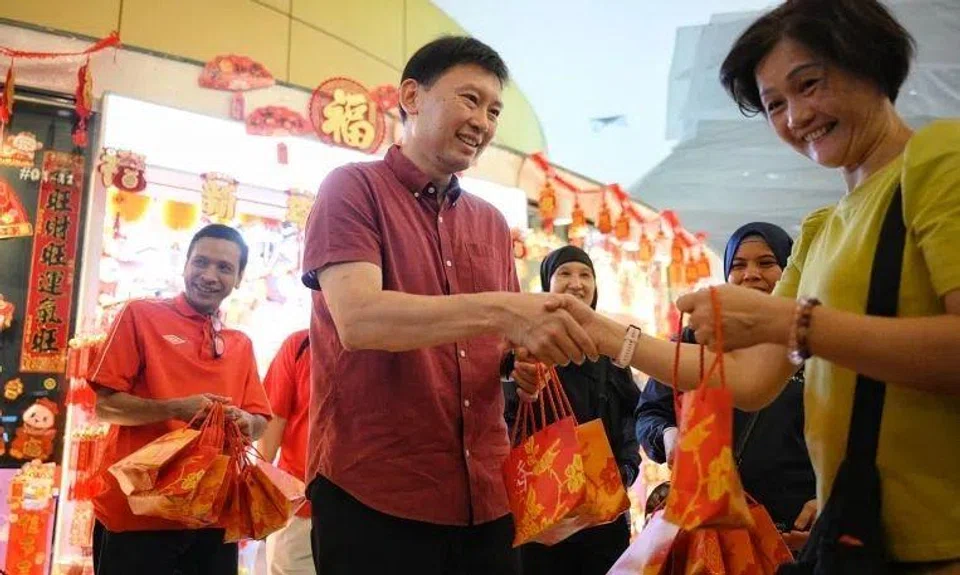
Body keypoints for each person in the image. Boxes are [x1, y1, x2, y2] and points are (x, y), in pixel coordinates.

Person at [516, 1, 960, 572]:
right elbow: (750, 381)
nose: (796, 116)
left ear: (871, 63)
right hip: (854, 534)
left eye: (809, 85)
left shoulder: (936, 161)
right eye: (775, 103)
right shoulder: (823, 231)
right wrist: (608, 334)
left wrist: (790, 323)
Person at [300, 36, 598, 575]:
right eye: (469, 99)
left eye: (494, 110)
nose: (482, 122)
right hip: (374, 489)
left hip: (486, 494)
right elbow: (360, 319)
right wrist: (504, 311)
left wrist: (519, 364)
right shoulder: (352, 189)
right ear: (412, 96)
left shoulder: (489, 222)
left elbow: (500, 347)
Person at [89, 224, 272, 575]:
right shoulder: (140, 316)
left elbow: (260, 420)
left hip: (212, 518)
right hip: (138, 513)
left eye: (224, 268)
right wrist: (175, 408)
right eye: (200, 262)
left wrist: (245, 423)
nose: (209, 275)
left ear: (239, 277)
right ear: (185, 265)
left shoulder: (240, 343)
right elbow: (106, 405)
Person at [635, 222, 816, 549]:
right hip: (709, 527)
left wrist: (825, 498)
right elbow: (649, 412)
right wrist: (668, 435)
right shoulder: (697, 338)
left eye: (766, 263)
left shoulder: (811, 341)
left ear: (789, 270)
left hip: (791, 526)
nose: (751, 274)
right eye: (738, 265)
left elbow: (850, 429)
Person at [503, 245, 640, 575]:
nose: (576, 283)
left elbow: (633, 412)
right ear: (547, 284)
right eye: (564, 273)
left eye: (585, 275)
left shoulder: (607, 347)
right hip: (544, 503)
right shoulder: (525, 348)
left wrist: (625, 469)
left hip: (601, 506)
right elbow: (504, 417)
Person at [257, 329, 314, 575]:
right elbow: (274, 420)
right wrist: (259, 492)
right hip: (297, 507)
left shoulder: (387, 343)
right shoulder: (301, 344)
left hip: (363, 511)